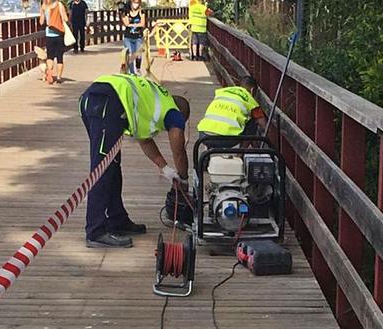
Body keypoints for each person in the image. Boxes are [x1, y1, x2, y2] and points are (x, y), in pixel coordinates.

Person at [79, 74, 192, 248]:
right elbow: (178, 147)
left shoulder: (154, 101)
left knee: (112, 164)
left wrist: (165, 169)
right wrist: (183, 178)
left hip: (101, 99)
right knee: (102, 168)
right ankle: (95, 231)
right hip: (107, 101)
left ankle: (117, 220)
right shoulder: (173, 110)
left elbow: (145, 141)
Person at [198, 76, 267, 148]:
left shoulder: (223, 92)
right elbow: (263, 124)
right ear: (252, 90)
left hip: (204, 136)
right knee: (253, 122)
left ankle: (208, 151)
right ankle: (240, 153)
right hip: (226, 140)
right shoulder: (249, 99)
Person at [40, 0, 69, 84]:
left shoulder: (44, 6)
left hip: (49, 34)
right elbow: (65, 19)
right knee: (60, 57)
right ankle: (59, 77)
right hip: (59, 34)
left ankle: (50, 72)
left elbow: (41, 22)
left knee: (50, 56)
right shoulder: (59, 4)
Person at [122, 1, 145, 75]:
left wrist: (132, 25)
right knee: (130, 53)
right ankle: (131, 72)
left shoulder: (141, 12)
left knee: (138, 54)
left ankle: (138, 69)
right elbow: (126, 24)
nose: (136, 5)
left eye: (137, 3)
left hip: (138, 36)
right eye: (134, 3)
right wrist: (136, 24)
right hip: (128, 37)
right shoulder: (126, 12)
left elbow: (143, 24)